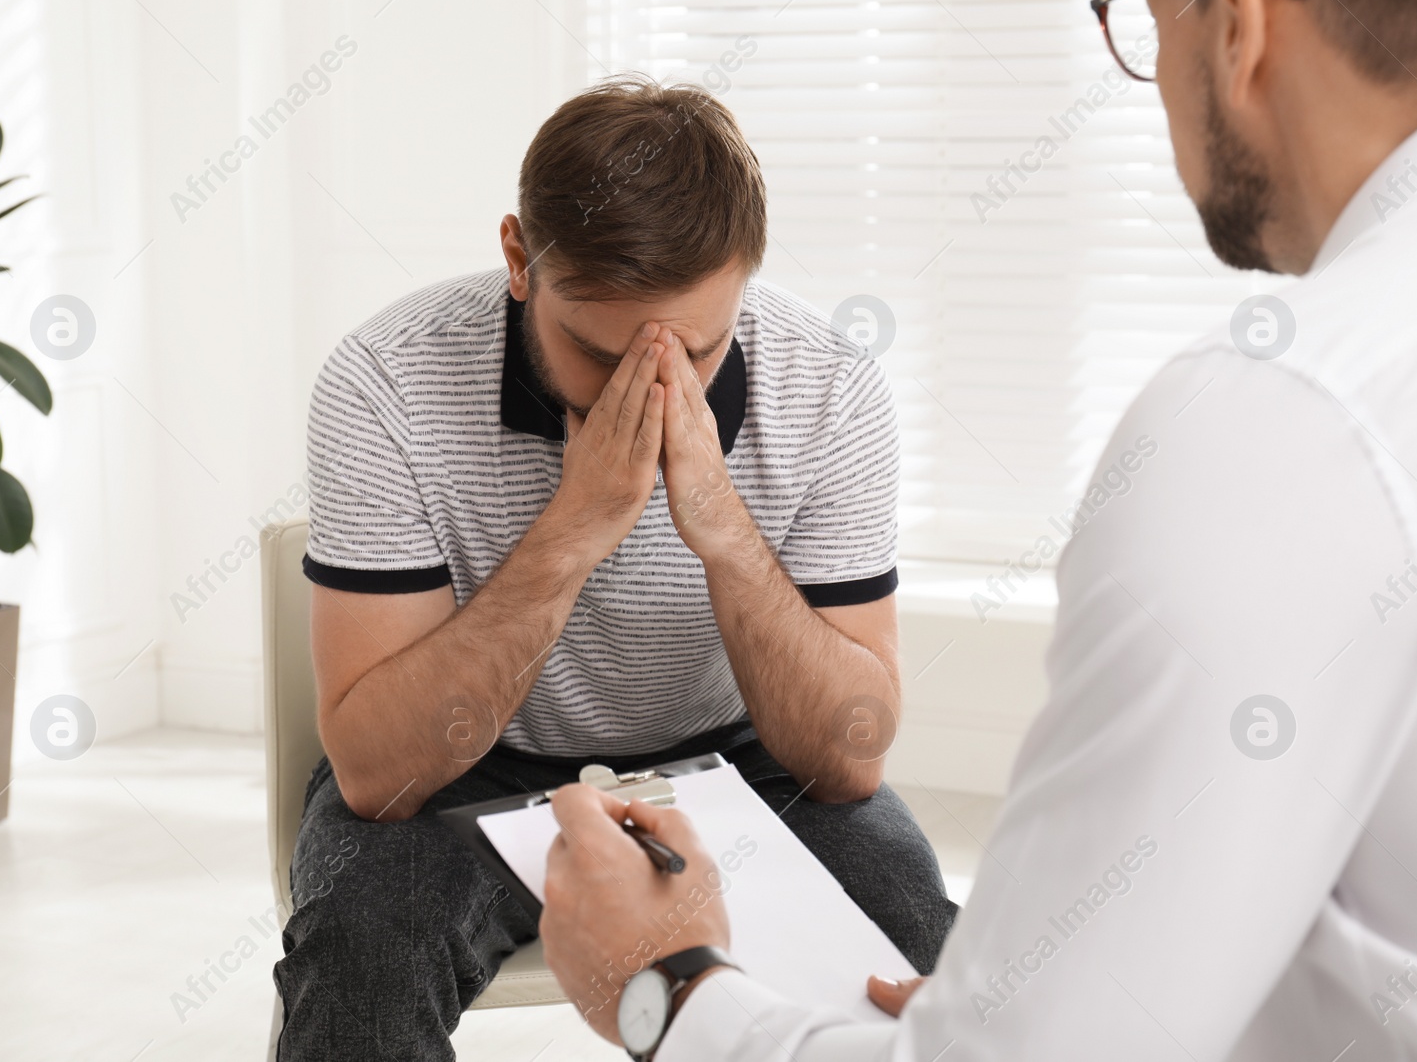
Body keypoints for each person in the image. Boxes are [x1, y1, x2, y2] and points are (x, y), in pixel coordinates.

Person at [539, 0, 1417, 1059]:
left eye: (1146, 22)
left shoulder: (1283, 422)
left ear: (1239, 29)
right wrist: (1031, 990)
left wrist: (665, 983)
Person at [272, 77, 960, 1061]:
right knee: (360, 954)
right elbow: (379, 775)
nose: (655, 385)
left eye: (702, 347)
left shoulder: (831, 385)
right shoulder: (384, 381)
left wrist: (721, 527)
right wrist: (574, 528)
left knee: (932, 965)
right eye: (599, 352)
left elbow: (847, 758)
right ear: (519, 259)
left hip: (746, 762)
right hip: (468, 775)